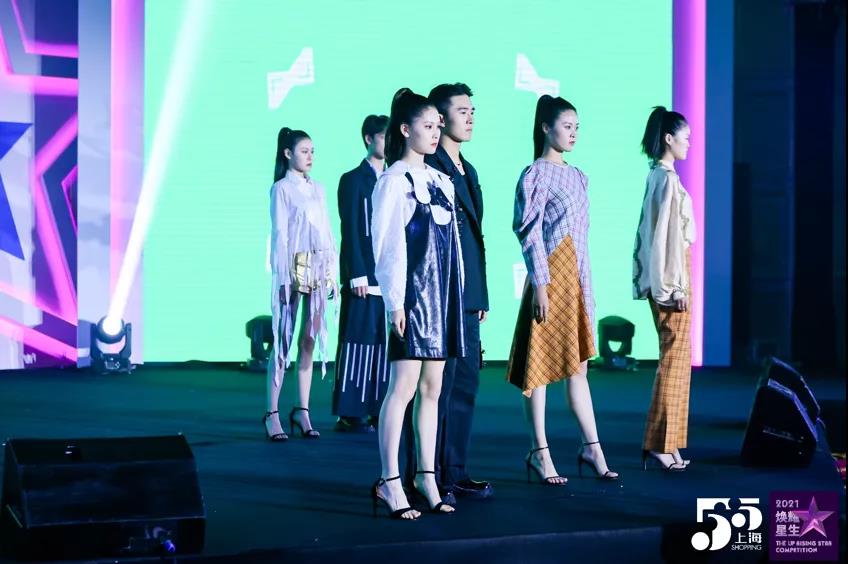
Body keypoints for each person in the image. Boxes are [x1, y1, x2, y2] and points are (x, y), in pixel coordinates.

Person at [506, 95, 618, 484]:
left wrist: (587, 288)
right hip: (550, 277)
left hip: (578, 278)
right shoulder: (535, 174)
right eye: (567, 126)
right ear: (545, 127)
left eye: (577, 127)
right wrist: (540, 283)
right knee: (537, 370)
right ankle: (539, 451)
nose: (573, 134)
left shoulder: (578, 175)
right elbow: (528, 232)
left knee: (579, 367)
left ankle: (592, 447)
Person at [370, 88, 464, 519]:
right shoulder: (393, 181)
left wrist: (459, 294)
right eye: (427, 126)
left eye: (437, 126)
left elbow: (454, 248)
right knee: (403, 388)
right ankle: (390, 480)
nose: (435, 132)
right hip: (411, 298)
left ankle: (427, 476)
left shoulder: (442, 181)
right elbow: (387, 246)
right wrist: (395, 302)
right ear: (406, 130)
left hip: (442, 299)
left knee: (433, 389)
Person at [402, 83, 492, 502]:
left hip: (467, 296)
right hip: (437, 297)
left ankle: (454, 471)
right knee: (434, 388)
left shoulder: (467, 169)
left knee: (465, 386)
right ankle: (426, 474)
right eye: (461, 111)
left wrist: (480, 296)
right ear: (440, 118)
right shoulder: (429, 166)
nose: (470, 117)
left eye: (473, 111)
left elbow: (474, 239)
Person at [264, 127, 337, 441]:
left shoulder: (318, 188)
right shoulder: (281, 188)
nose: (310, 157)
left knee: (309, 338)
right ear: (288, 153)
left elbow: (327, 230)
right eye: (304, 151)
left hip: (318, 263)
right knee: (283, 338)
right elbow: (280, 234)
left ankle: (302, 410)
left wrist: (331, 272)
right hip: (293, 264)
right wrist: (282, 276)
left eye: (312, 151)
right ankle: (272, 413)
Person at [633, 106, 695, 472]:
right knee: (673, 362)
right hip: (672, 278)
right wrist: (673, 287)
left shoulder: (660, 176)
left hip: (674, 273)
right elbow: (662, 240)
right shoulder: (665, 179)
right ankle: (659, 444)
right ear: (669, 139)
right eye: (685, 138)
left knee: (677, 362)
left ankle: (668, 444)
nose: (689, 144)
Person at [333, 115, 390, 433]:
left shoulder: (395, 176)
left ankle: (379, 408)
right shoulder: (353, 179)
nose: (388, 143)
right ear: (369, 139)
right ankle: (350, 411)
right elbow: (351, 229)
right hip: (363, 274)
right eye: (383, 137)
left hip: (388, 275)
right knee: (358, 340)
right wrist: (355, 272)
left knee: (383, 342)